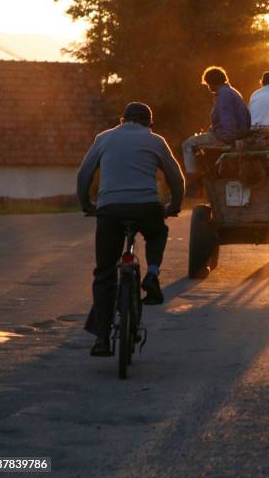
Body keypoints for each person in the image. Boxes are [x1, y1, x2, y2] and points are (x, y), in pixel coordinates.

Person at [77, 102, 185, 357]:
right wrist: (174, 205)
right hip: (146, 208)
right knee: (157, 233)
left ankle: (102, 339)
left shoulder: (103, 139)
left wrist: (87, 204)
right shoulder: (155, 140)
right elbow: (176, 177)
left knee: (105, 273)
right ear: (149, 123)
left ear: (122, 120)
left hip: (110, 211)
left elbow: (84, 175)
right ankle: (153, 274)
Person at [182, 66, 250, 197]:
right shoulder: (230, 92)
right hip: (233, 133)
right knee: (199, 142)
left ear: (212, 82)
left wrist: (224, 139)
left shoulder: (224, 96)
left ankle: (194, 182)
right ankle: (202, 177)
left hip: (227, 136)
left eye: (208, 84)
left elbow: (228, 121)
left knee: (187, 144)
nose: (208, 87)